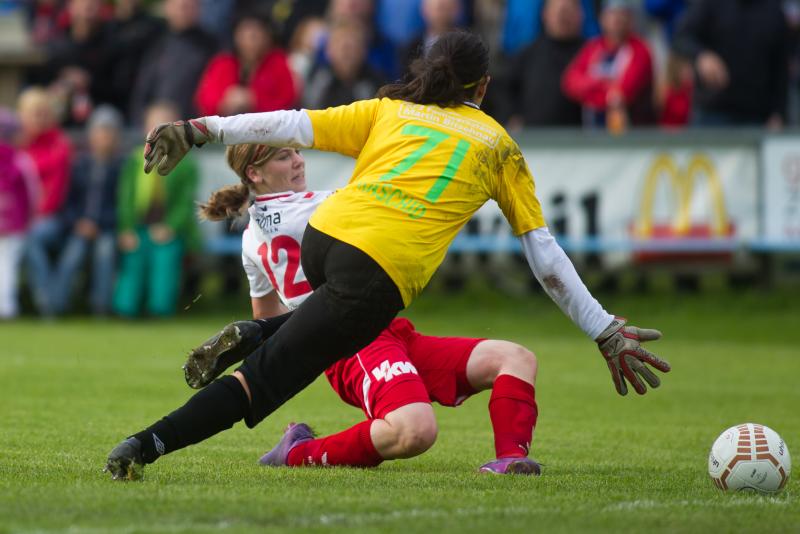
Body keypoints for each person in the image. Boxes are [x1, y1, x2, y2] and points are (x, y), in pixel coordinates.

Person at [105, 30, 670, 480]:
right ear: (483, 86)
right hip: (373, 274)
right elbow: (545, 258)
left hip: (323, 239)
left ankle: (262, 336)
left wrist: (199, 129)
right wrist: (603, 330)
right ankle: (150, 441)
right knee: (267, 382)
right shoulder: (498, 145)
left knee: (494, 354)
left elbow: (291, 123)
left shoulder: (391, 110)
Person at [178, 142, 541, 474]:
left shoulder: (252, 235)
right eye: (284, 156)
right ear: (254, 173)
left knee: (514, 359)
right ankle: (297, 453)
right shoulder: (323, 206)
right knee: (414, 430)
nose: (299, 161)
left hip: (386, 332)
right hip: (352, 343)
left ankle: (510, 460)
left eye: (297, 152)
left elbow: (266, 320)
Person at [113, 102, 199, 317]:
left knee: (165, 259)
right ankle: (126, 309)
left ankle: (159, 309)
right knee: (134, 258)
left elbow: (185, 203)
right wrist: (126, 229)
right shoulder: (134, 161)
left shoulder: (185, 164)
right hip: (139, 227)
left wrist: (170, 227)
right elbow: (125, 198)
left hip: (170, 228)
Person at [51, 105, 123, 316]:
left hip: (107, 227)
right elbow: (68, 201)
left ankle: (100, 306)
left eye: (109, 133)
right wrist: (77, 222)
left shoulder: (121, 167)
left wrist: (103, 224)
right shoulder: (79, 165)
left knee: (105, 253)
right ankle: (55, 304)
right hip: (80, 225)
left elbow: (122, 204)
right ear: (91, 136)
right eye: (100, 133)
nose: (104, 138)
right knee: (72, 255)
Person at [671, 0, 788, 128]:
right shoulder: (709, 4)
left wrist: (779, 112)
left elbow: (781, 67)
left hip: (757, 116)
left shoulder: (773, 9)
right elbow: (681, 38)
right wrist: (701, 55)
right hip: (712, 112)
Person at [19, 87, 73, 316]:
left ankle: (47, 301)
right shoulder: (16, 145)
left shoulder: (59, 145)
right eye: (33, 113)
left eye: (43, 113)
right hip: (18, 219)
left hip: (51, 218)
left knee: (30, 239)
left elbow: (55, 191)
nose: (38, 119)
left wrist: (31, 217)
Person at [562, 0, 655, 130]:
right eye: (612, 14)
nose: (617, 19)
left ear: (630, 19)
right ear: (602, 19)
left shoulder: (640, 50)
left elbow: (624, 93)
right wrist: (602, 85)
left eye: (622, 14)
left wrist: (590, 91)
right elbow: (570, 83)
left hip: (632, 130)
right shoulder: (593, 48)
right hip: (592, 128)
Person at [194, 9, 298, 117]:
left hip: (267, 125)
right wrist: (225, 102)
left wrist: (253, 100)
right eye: (245, 35)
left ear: (267, 37)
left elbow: (288, 101)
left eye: (255, 36)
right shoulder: (223, 63)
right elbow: (204, 100)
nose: (250, 42)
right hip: (226, 124)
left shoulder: (278, 63)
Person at [130, 0, 217, 123]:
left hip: (193, 121)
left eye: (190, 6)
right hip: (153, 119)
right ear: (167, 8)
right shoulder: (155, 41)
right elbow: (143, 87)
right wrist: (140, 118)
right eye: (181, 6)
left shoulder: (211, 45)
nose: (184, 12)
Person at [505, 0, 585, 128]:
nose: (562, 16)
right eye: (557, 11)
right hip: (534, 135)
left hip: (581, 135)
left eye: (568, 10)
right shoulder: (528, 53)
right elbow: (505, 89)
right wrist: (511, 116)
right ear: (545, 14)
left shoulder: (592, 52)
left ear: (580, 15)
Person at [0, 109, 39, 319]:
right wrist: (29, 218)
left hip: (10, 223)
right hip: (14, 223)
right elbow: (32, 192)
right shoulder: (20, 159)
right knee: (8, 266)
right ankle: (7, 308)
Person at [302, 20, 386, 109]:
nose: (345, 50)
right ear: (328, 50)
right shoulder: (318, 79)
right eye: (339, 42)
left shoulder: (376, 84)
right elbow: (310, 110)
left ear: (364, 50)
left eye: (352, 44)